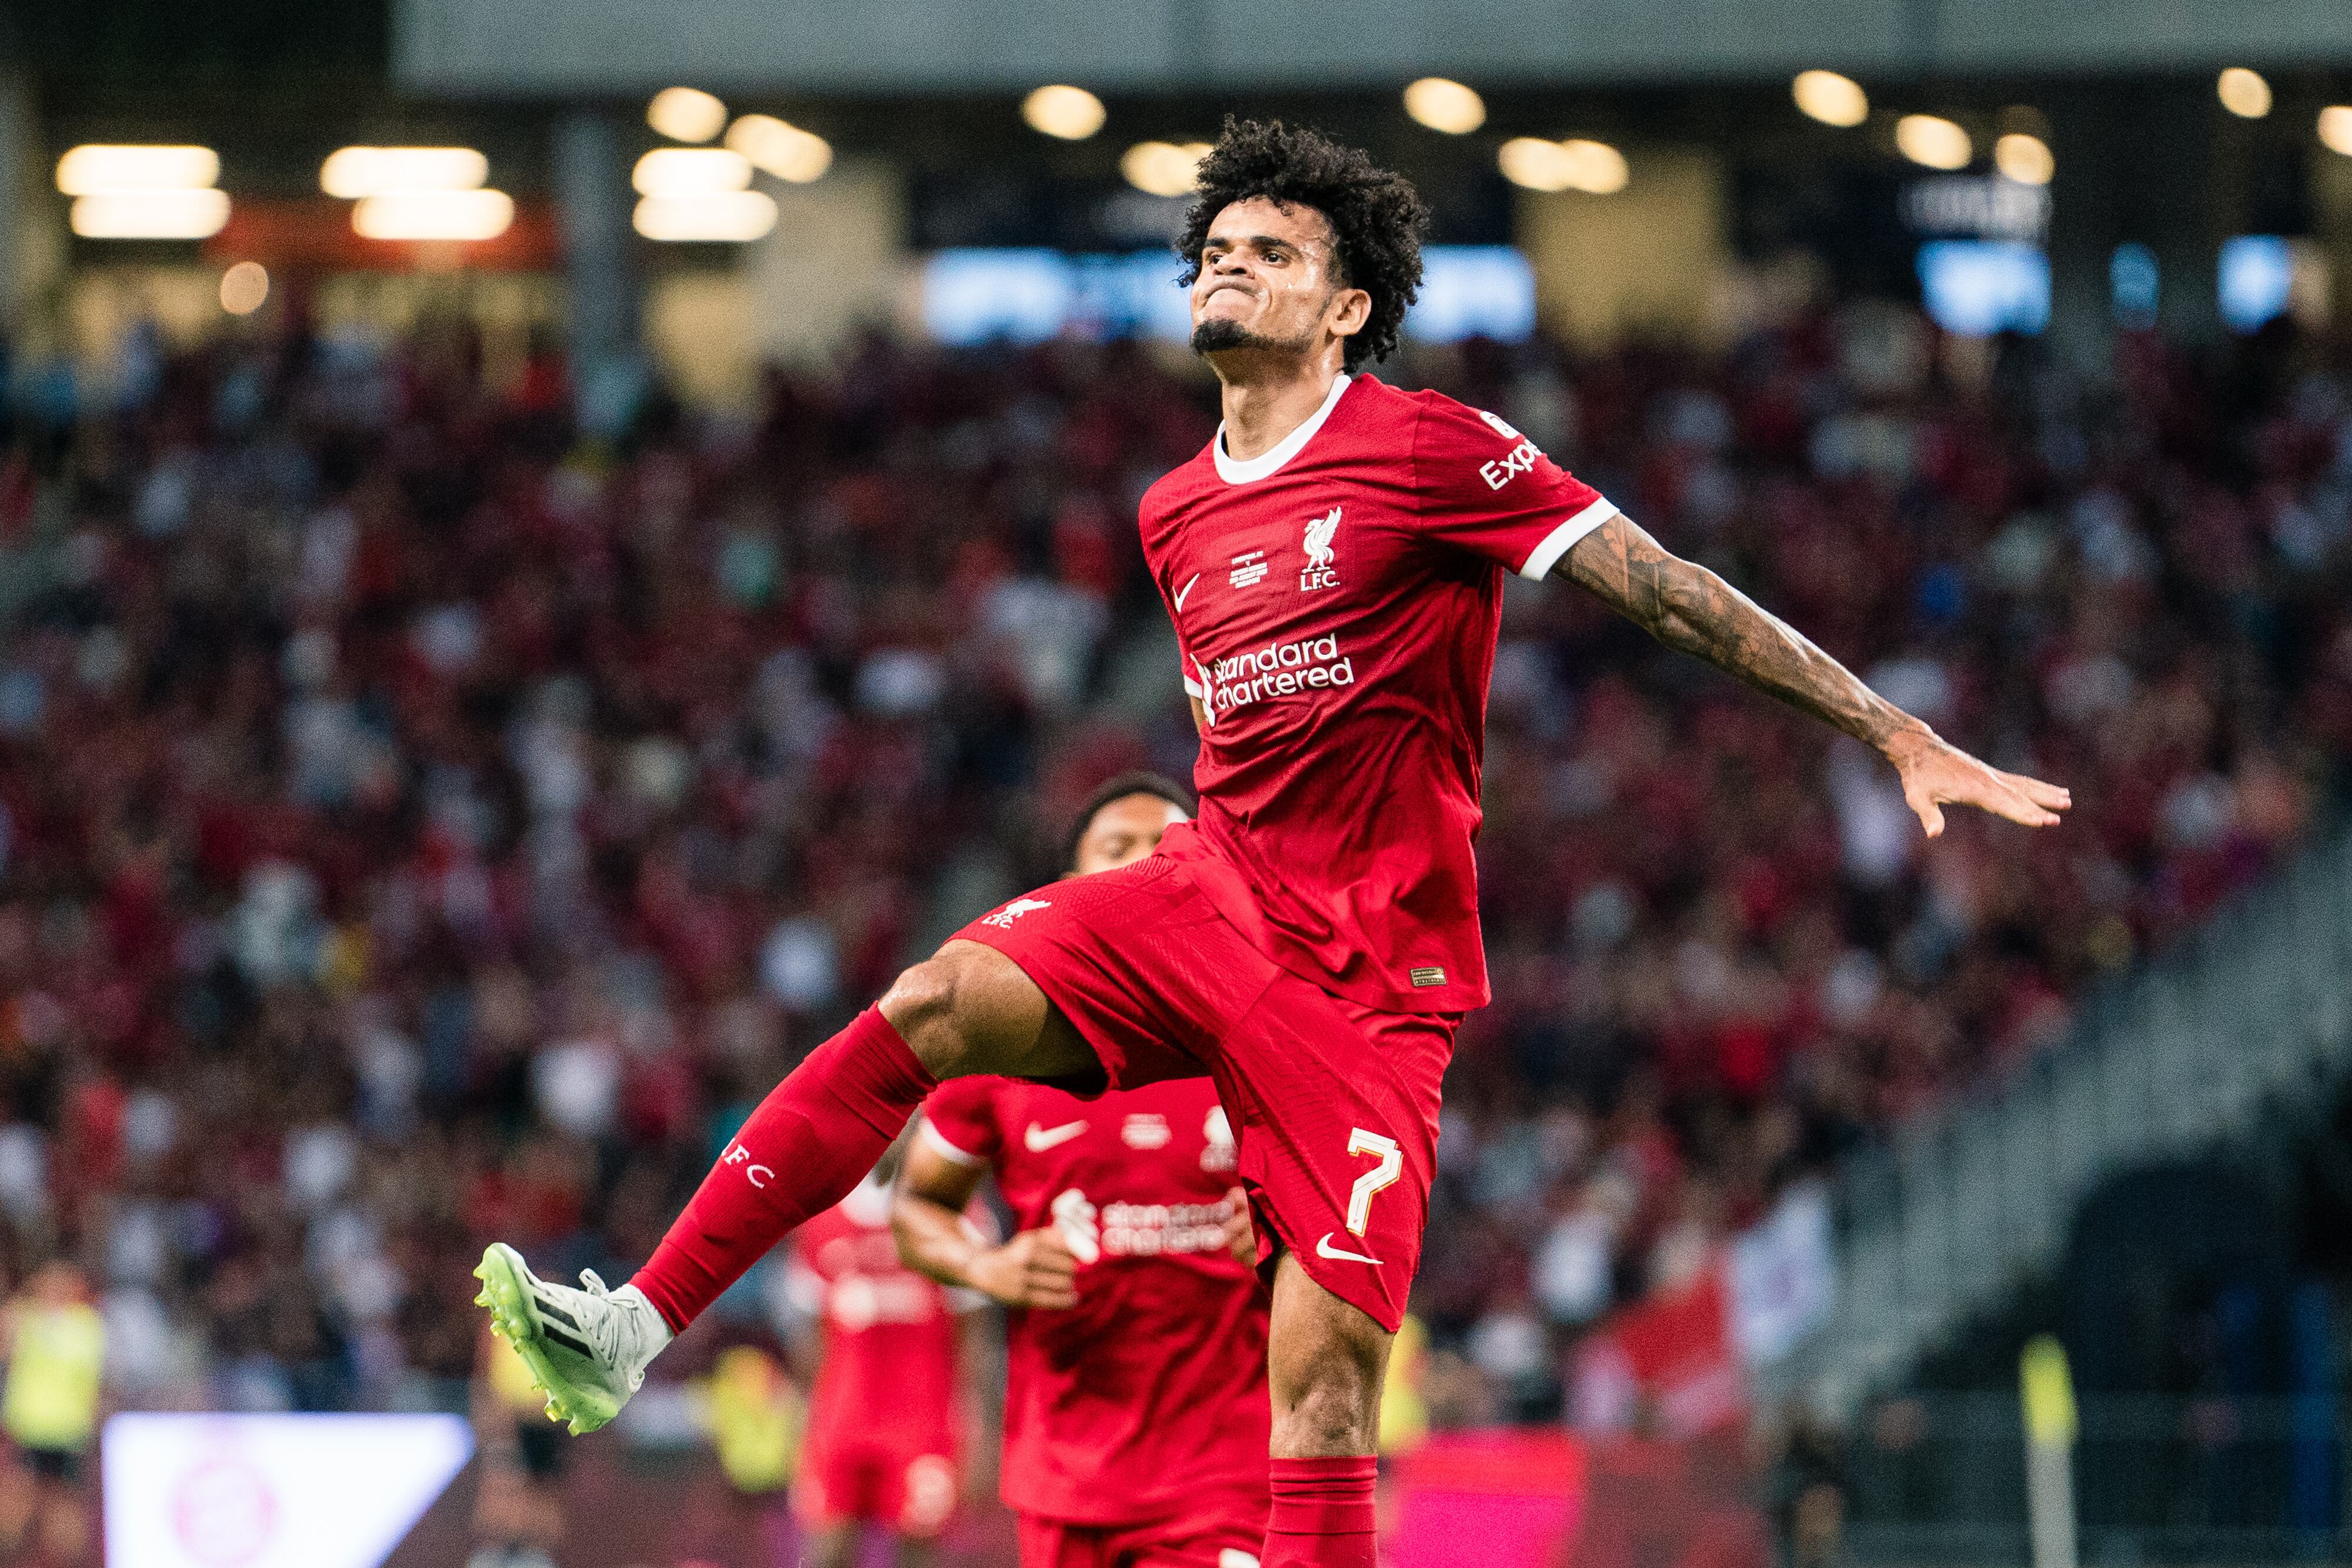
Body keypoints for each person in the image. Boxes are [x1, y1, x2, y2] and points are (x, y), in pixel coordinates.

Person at [475, 117, 2070, 1568]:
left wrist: (1889, 728)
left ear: (1348, 305)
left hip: (1372, 985)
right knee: (925, 1008)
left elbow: (1664, 583)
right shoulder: (1176, 510)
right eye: (1217, 248)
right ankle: (635, 1318)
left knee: (1315, 1399)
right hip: (1211, 896)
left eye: (1274, 252)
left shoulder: (1433, 449)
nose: (1230, 265)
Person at [894, 773, 1272, 1568]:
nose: (1142, 867)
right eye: (1118, 849)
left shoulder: (1262, 1034)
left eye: (1167, 850)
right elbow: (918, 1208)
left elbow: (1369, 1203)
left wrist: (1292, 1230)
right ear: (1068, 890)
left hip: (1224, 1474)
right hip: (1064, 1478)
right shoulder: (1002, 1054)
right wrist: (986, 1265)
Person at [784, 1142, 975, 1568]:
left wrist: (975, 1421)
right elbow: (810, 1337)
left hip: (923, 1419)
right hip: (841, 1417)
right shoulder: (822, 1219)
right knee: (826, 1551)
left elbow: (973, 1329)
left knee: (919, 1554)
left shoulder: (955, 1214)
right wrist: (805, 1424)